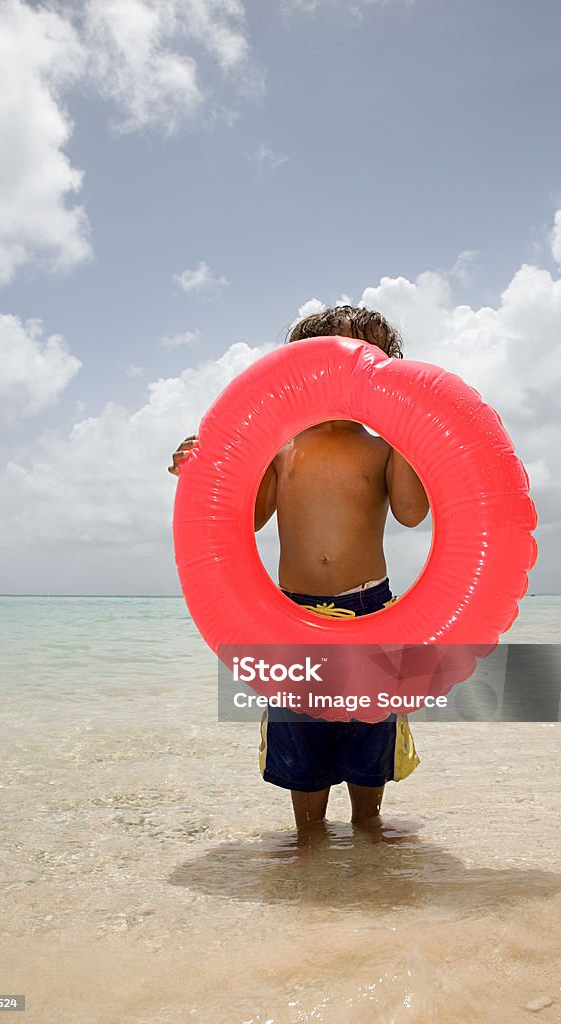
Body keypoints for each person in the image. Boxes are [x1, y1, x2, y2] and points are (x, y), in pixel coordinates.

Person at [169, 305, 429, 836]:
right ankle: (308, 855)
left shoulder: (381, 447)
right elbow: (251, 518)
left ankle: (368, 839)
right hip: (291, 612)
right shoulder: (280, 447)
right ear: (302, 369)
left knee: (366, 736)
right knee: (301, 746)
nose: (349, 370)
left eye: (368, 359)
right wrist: (203, 467)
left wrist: (406, 431)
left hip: (369, 609)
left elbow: (411, 512)